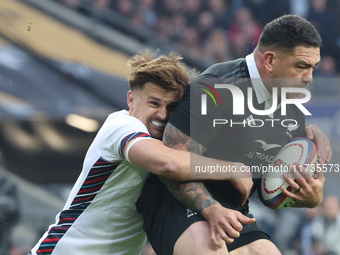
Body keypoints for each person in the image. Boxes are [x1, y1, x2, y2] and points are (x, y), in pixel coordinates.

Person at [140, 14, 333, 255]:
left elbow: (266, 191)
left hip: (233, 209)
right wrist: (211, 208)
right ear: (270, 60)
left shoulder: (292, 108)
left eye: (313, 68)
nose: (309, 78)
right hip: (175, 198)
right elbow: (169, 165)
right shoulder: (216, 88)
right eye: (301, 67)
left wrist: (308, 195)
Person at [30, 51, 253, 255]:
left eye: (172, 107)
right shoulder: (122, 126)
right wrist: (230, 169)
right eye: (154, 103)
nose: (163, 115)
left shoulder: (173, 145)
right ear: (131, 100)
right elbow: (168, 165)